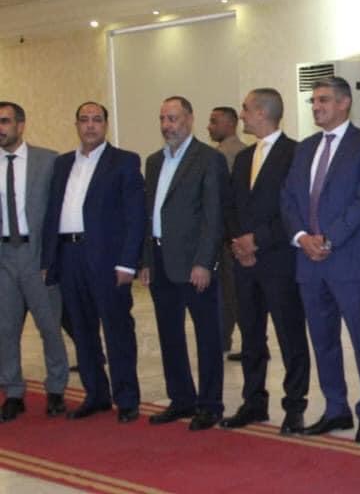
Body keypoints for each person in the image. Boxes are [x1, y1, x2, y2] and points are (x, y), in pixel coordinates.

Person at [281, 77, 360, 443]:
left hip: (348, 260)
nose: (316, 107)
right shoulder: (305, 148)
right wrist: (301, 237)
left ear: (344, 103)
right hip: (308, 262)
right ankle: (335, 408)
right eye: (313, 101)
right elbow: (288, 198)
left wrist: (330, 237)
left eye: (323, 100)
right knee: (323, 340)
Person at [42, 102, 145, 423]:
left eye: (96, 120)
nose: (90, 125)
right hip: (69, 255)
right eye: (84, 120)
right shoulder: (62, 164)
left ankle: (126, 399)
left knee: (117, 329)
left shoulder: (124, 161)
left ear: (106, 124)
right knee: (82, 330)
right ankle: (96, 394)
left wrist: (128, 262)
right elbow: (52, 212)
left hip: (107, 259)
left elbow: (136, 216)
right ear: (76, 124)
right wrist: (49, 259)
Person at [221, 89, 310, 435]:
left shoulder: (295, 153)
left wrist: (257, 240)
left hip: (279, 261)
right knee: (251, 336)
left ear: (261, 112)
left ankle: (295, 407)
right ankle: (254, 401)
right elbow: (231, 205)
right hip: (245, 263)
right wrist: (238, 242)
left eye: (245, 109)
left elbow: (294, 209)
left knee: (290, 336)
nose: (241, 115)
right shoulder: (245, 157)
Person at [142, 96, 228, 431]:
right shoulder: (153, 162)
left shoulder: (208, 159)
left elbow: (213, 215)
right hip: (160, 260)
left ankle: (210, 404)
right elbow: (150, 214)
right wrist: (146, 260)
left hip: (194, 264)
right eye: (163, 119)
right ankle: (181, 399)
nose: (167, 125)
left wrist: (204, 262)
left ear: (190, 119)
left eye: (173, 118)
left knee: (207, 336)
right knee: (169, 334)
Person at [0, 102, 68, 422]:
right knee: (5, 329)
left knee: (49, 327)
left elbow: (60, 212)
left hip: (37, 255)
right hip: (3, 256)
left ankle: (56, 389)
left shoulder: (48, 161)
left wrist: (53, 257)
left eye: (4, 121)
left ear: (21, 124)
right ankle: (13, 391)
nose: (0, 128)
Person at [208, 106, 246, 359]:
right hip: (231, 235)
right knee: (230, 291)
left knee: (232, 292)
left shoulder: (226, 155)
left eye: (214, 121)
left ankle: (244, 341)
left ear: (230, 124)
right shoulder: (237, 152)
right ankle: (223, 339)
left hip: (228, 236)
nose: (209, 127)